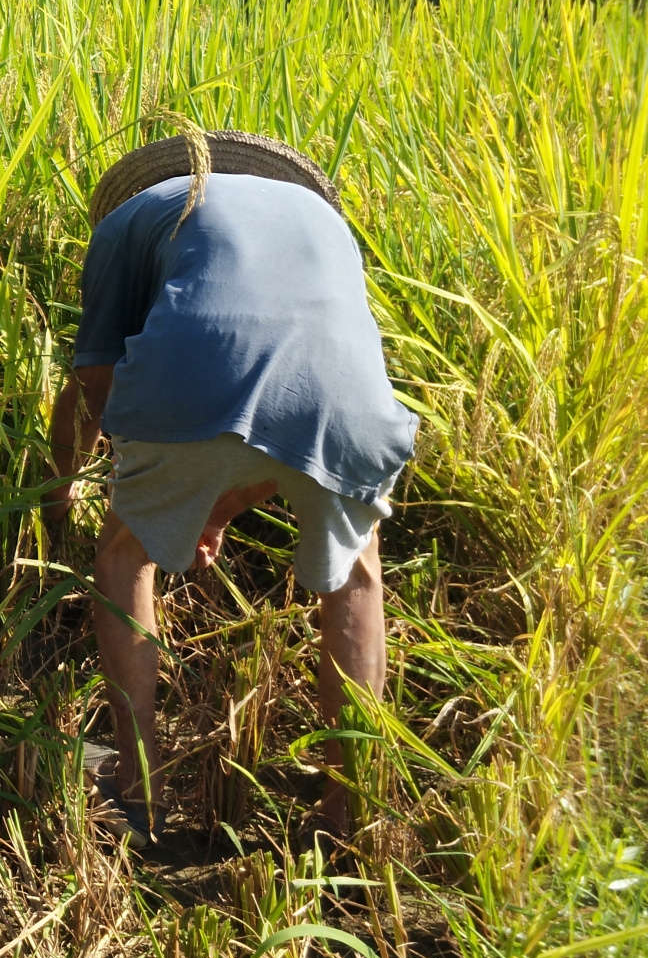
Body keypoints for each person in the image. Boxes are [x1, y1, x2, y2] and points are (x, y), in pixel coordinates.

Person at [44, 131, 417, 846]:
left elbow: (96, 384)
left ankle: (138, 786)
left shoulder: (133, 217)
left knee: (126, 557)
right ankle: (348, 808)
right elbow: (294, 399)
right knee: (357, 575)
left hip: (193, 387)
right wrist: (213, 502)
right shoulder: (324, 223)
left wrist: (66, 497)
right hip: (354, 408)